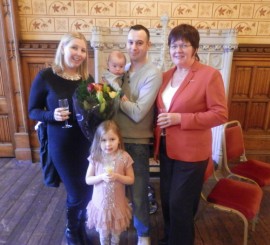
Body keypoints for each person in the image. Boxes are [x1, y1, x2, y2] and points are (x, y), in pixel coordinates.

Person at [154, 24, 228, 245]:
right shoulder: (166, 75)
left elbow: (219, 114)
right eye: (174, 45)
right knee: (167, 200)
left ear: (194, 48)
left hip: (192, 153)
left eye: (184, 45)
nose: (178, 50)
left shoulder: (209, 75)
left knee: (180, 204)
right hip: (167, 149)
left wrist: (180, 119)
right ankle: (170, 239)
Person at [28, 32, 94, 245]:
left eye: (83, 50)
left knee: (88, 189)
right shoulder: (46, 76)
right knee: (76, 191)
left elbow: (92, 112)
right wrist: (51, 116)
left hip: (86, 144)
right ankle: (71, 231)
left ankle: (81, 226)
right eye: (74, 48)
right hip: (62, 145)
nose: (79, 53)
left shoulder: (87, 80)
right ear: (63, 49)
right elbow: (32, 111)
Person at [113, 25, 162, 245]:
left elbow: (138, 113)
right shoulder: (120, 72)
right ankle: (115, 228)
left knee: (139, 192)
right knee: (113, 189)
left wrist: (118, 95)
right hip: (113, 141)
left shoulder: (153, 72)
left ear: (148, 45)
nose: (134, 47)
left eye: (140, 42)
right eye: (131, 42)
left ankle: (143, 235)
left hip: (137, 142)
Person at [85, 120, 135, 245]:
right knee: (103, 235)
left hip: (117, 206)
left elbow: (131, 179)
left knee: (116, 236)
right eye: (104, 140)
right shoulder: (96, 157)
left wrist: (118, 176)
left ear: (119, 139)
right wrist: (101, 177)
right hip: (101, 206)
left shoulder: (124, 157)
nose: (108, 144)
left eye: (112, 139)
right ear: (98, 141)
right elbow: (88, 179)